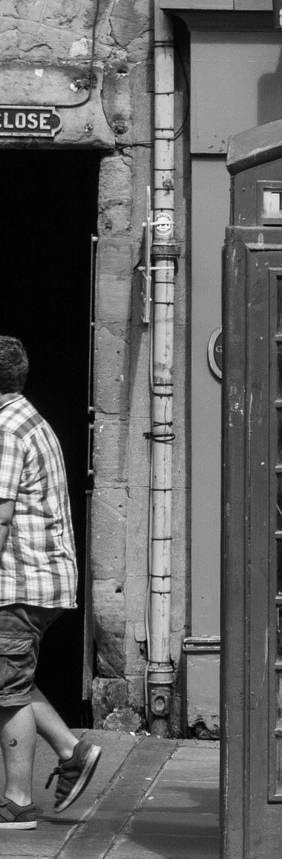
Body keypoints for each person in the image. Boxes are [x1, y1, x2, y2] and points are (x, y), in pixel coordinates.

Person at [0, 336, 100, 829]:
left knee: (7, 691)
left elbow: (0, 516)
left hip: (18, 583)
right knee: (8, 678)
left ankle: (16, 801)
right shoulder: (30, 418)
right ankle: (72, 750)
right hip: (43, 579)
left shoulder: (5, 430)